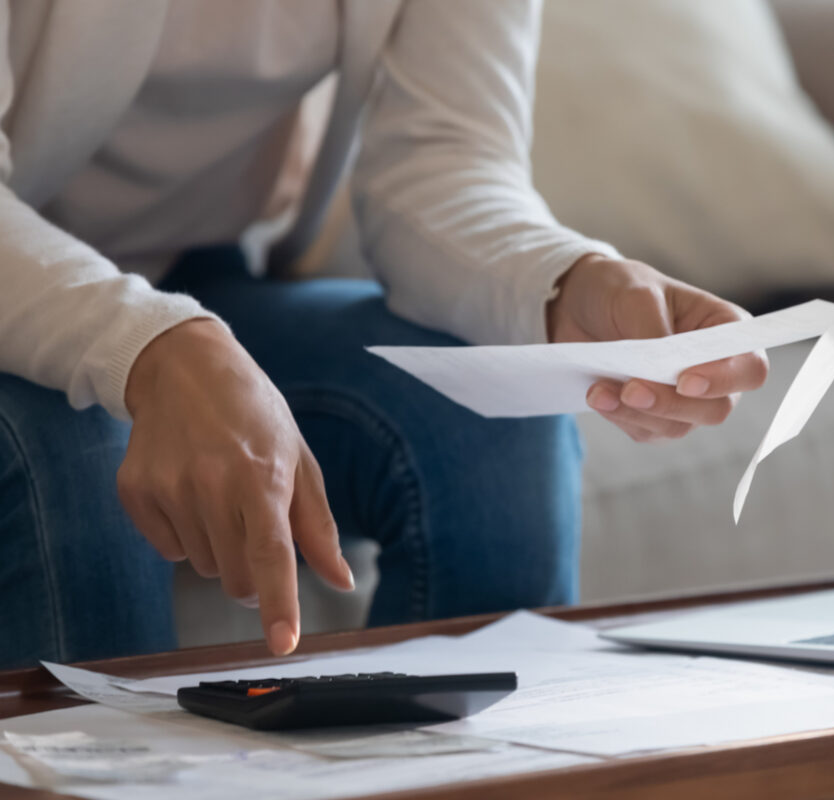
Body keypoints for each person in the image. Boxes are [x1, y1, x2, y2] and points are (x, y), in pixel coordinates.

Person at [0, 0, 767, 670]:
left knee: (491, 431)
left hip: (200, 275)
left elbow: (441, 157)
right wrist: (149, 348)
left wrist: (565, 283)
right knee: (74, 445)